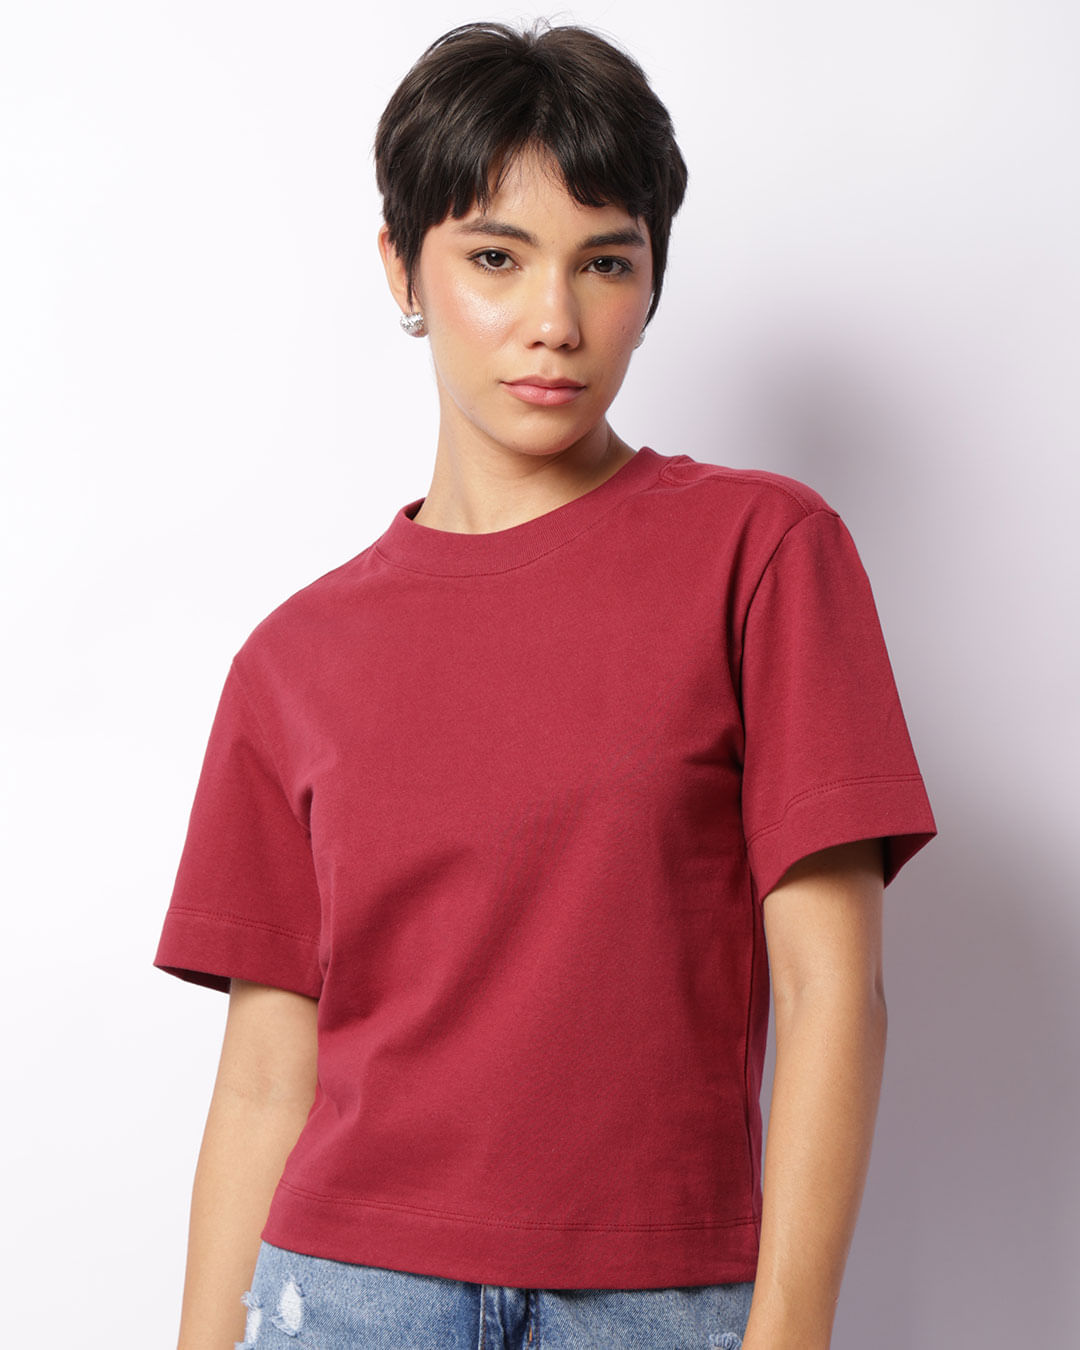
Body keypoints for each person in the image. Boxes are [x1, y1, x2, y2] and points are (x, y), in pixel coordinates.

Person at [155, 20, 936, 1350]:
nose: (555, 323)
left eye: (605, 263)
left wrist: (788, 1331)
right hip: (341, 1297)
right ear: (402, 266)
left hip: (652, 1304)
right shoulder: (291, 660)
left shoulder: (760, 555)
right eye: (495, 258)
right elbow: (264, 1083)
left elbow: (831, 993)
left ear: (652, 279)